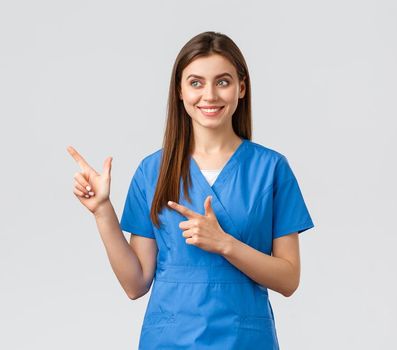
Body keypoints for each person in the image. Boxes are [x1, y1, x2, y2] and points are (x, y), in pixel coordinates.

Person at [66, 31, 314, 349]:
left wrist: (225, 244)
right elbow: (135, 283)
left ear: (241, 87)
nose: (209, 95)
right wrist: (102, 211)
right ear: (180, 92)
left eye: (222, 82)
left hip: (244, 339)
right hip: (170, 340)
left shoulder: (271, 169)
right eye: (196, 83)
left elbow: (289, 279)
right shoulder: (153, 171)